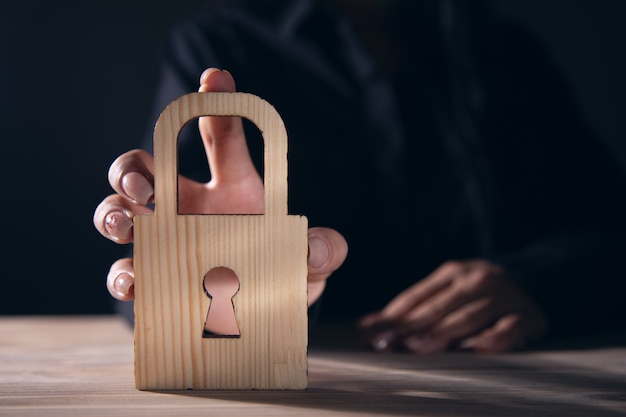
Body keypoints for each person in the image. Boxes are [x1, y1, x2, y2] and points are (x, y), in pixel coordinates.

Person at [94, 0, 626, 354]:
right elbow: (149, 278)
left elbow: (610, 233)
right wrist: (197, 283)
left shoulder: (508, 55)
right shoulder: (223, 44)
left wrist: (540, 282)